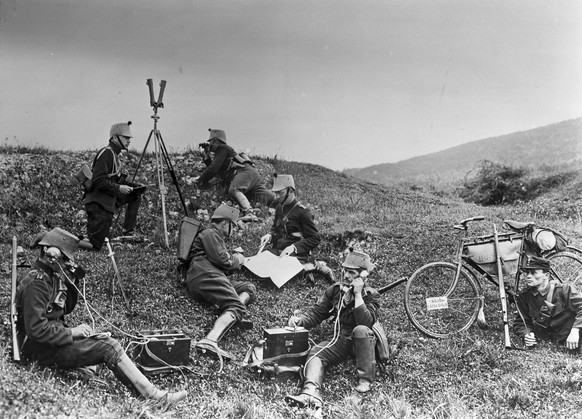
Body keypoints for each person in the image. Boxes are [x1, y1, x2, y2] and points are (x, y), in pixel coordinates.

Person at [16, 227, 187, 404]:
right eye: (64, 258)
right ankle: (155, 398)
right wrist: (73, 332)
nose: (66, 263)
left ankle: (83, 373)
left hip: (49, 342)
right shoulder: (37, 283)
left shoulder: (49, 276)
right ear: (48, 252)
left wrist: (70, 281)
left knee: (96, 338)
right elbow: (35, 329)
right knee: (109, 346)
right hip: (39, 349)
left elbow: (63, 308)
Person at [284, 250, 389, 409]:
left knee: (360, 330)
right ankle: (310, 393)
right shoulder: (335, 290)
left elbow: (366, 323)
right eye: (345, 270)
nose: (346, 275)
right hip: (341, 338)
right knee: (316, 353)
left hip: (363, 343)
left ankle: (365, 380)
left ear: (363, 275)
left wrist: (358, 295)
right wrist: (301, 321)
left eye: (352, 272)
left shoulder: (371, 295)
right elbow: (318, 312)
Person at [187, 204, 256, 360]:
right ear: (225, 223)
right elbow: (223, 260)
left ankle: (231, 314)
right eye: (233, 225)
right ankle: (210, 340)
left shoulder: (213, 235)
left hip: (208, 274)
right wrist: (238, 259)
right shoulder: (210, 233)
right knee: (237, 305)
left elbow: (221, 262)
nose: (234, 229)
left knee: (248, 288)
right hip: (204, 274)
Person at [259, 174, 335, 283]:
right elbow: (276, 227)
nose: (277, 197)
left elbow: (315, 238)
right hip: (278, 250)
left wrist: (293, 247)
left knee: (280, 271)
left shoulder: (303, 212)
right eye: (276, 193)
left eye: (280, 193)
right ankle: (303, 271)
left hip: (296, 255)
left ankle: (315, 268)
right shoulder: (279, 207)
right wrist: (270, 234)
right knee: (261, 264)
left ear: (290, 190)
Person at [83, 121, 146, 250]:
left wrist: (134, 186)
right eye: (125, 138)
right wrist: (119, 188)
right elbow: (98, 181)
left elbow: (114, 179)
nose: (129, 141)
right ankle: (49, 238)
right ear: (115, 138)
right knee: (94, 246)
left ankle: (128, 233)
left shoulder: (114, 155)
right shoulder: (106, 153)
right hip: (98, 205)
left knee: (136, 194)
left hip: (107, 202)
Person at [195, 129, 276, 216]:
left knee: (234, 190)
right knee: (265, 196)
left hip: (243, 172)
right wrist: (206, 156)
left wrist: (200, 180)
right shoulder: (224, 151)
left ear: (215, 141)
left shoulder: (222, 148)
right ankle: (283, 203)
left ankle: (249, 213)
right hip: (251, 174)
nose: (210, 145)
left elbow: (213, 169)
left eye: (210, 142)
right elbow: (215, 168)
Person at [513, 256, 582, 350]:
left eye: (533, 272)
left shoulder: (563, 290)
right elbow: (521, 322)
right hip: (554, 341)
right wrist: (527, 334)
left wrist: (575, 330)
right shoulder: (525, 297)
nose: (528, 276)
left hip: (574, 335)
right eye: (527, 272)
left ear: (547, 275)